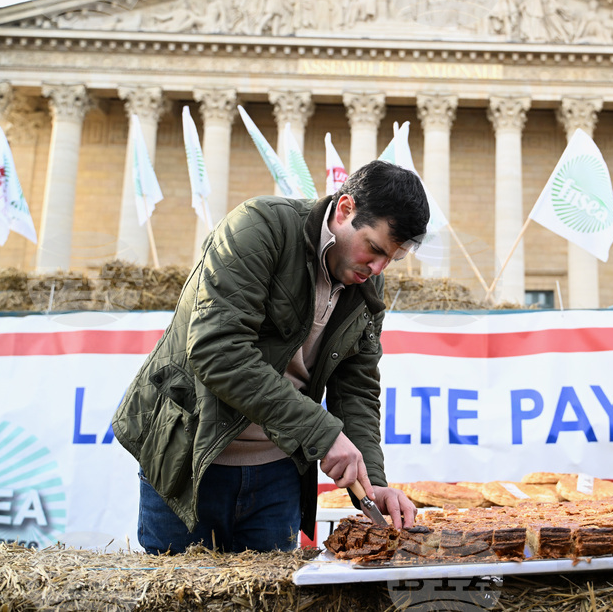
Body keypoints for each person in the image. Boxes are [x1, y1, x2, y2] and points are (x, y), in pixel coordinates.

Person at [112, 160, 430, 554]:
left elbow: (357, 388)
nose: (379, 268)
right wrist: (320, 432)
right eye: (375, 249)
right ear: (345, 209)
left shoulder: (366, 281)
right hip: (191, 460)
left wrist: (374, 482)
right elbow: (218, 351)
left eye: (392, 260)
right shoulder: (258, 227)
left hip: (278, 475)